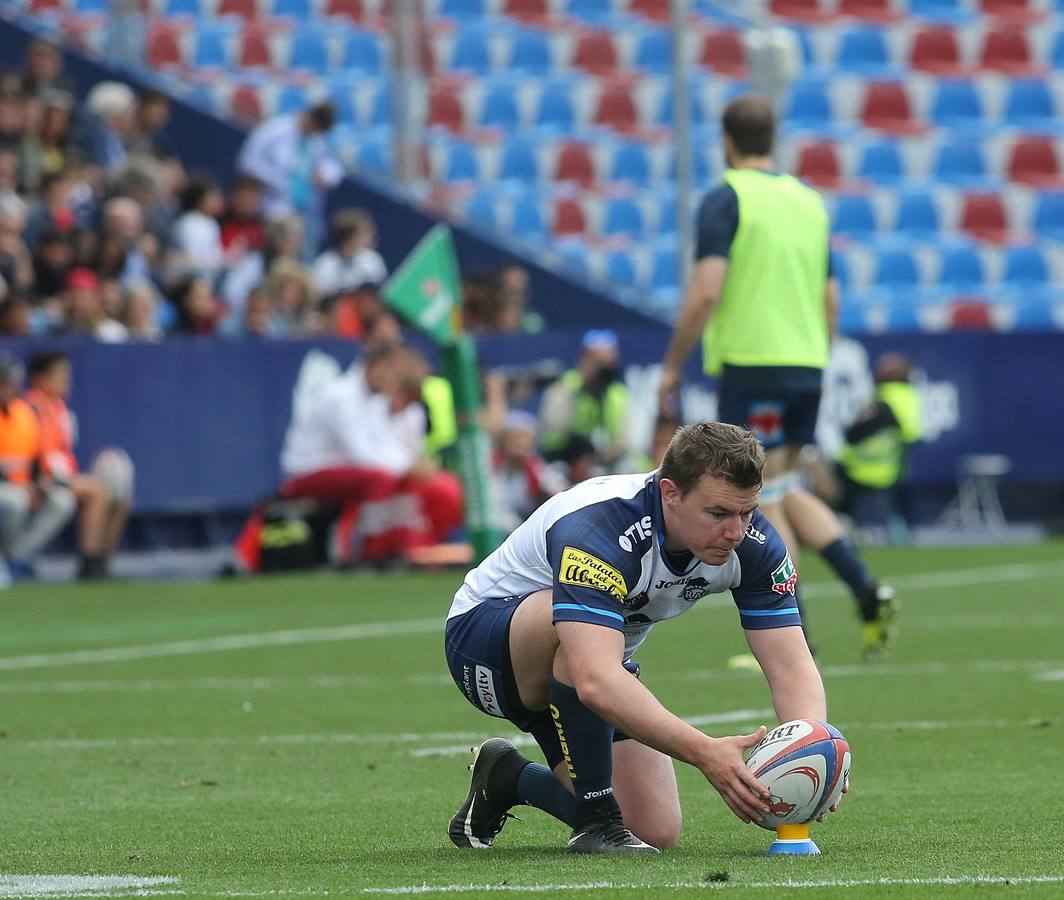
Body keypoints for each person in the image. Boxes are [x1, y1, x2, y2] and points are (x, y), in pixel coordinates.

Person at [444, 421, 842, 854]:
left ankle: (507, 777)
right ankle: (596, 824)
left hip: (591, 664)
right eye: (718, 514)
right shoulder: (599, 526)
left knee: (653, 829)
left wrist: (813, 750)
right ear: (670, 493)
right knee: (576, 644)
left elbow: (790, 664)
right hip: (485, 646)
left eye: (746, 512)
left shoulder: (755, 542)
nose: (736, 531)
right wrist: (707, 752)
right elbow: (595, 678)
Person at [658, 94, 896, 660]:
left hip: (753, 362)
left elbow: (707, 290)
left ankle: (797, 637)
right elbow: (831, 296)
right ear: (773, 140)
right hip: (807, 363)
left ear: (727, 141)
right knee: (785, 489)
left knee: (755, 503)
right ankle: (865, 588)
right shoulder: (808, 203)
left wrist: (672, 363)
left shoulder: (727, 198)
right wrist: (817, 355)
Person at [23, 351, 134, 579]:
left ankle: (103, 559)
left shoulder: (58, 408)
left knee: (120, 488)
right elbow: (33, 453)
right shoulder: (32, 408)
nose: (66, 380)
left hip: (61, 476)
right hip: (41, 479)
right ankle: (89, 560)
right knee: (97, 490)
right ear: (41, 378)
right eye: (60, 374)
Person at [0, 354, 76, 584]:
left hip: (24, 485)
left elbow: (35, 459)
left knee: (62, 500)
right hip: (8, 488)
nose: (8, 389)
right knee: (15, 500)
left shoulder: (24, 413)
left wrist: (38, 483)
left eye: (11, 383)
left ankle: (17, 557)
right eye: (3, 383)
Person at [235, 102, 342, 258]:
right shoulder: (275, 130)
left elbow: (333, 167)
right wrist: (279, 180)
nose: (314, 133)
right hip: (275, 210)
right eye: (314, 128)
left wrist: (326, 175)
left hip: (306, 215)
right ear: (309, 117)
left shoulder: (317, 140)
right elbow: (247, 161)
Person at [838, 352, 922, 542]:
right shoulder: (909, 396)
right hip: (894, 461)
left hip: (867, 465)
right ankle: (901, 532)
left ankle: (853, 529)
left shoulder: (887, 399)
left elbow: (855, 433)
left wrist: (851, 430)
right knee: (896, 500)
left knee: (845, 494)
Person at [538, 329, 630, 470]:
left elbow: (625, 439)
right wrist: (583, 387)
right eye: (597, 361)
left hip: (605, 461)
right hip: (565, 458)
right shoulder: (565, 386)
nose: (602, 368)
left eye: (608, 362)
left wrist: (611, 451)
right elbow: (554, 429)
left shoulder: (618, 393)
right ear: (584, 358)